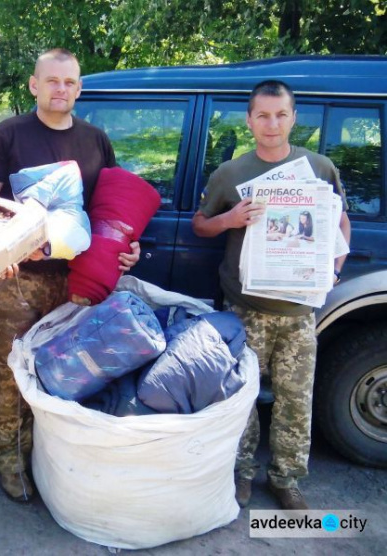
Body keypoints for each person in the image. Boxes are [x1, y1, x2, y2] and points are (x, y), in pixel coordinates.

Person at [0, 48, 140, 503]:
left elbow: (109, 210)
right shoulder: (9, 134)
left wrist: (128, 248)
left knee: (64, 372)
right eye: (52, 81)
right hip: (21, 278)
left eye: (70, 83)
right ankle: (6, 457)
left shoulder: (95, 140)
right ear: (34, 85)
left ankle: (44, 456)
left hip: (77, 279)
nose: (61, 90)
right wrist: (14, 239)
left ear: (79, 88)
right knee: (12, 373)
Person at [192, 80, 351, 510]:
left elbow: (340, 223)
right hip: (246, 308)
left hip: (300, 310)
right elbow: (200, 225)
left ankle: (286, 479)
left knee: (296, 400)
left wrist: (334, 267)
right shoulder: (231, 173)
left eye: (281, 114)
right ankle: (242, 472)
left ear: (294, 118)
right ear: (249, 120)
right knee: (241, 395)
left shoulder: (319, 168)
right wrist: (229, 219)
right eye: (262, 115)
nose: (272, 124)